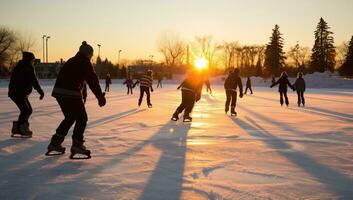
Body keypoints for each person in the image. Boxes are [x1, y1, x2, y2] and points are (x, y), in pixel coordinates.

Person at [46, 41, 106, 159]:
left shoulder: (72, 60)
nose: (91, 57)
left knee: (70, 117)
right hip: (70, 93)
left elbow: (80, 80)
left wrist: (83, 95)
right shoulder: (84, 62)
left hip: (59, 92)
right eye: (91, 55)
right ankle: (77, 144)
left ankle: (55, 143)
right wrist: (100, 97)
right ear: (88, 54)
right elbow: (92, 80)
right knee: (82, 118)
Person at [8, 52, 45, 138]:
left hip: (18, 93)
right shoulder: (27, 67)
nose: (33, 62)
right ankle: (21, 128)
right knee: (25, 110)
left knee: (28, 110)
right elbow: (34, 81)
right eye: (32, 60)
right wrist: (40, 91)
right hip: (18, 93)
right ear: (29, 60)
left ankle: (17, 128)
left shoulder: (21, 66)